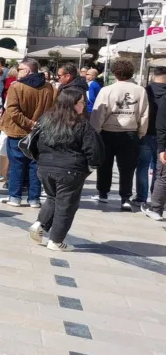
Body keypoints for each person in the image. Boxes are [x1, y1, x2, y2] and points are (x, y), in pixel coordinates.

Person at [28, 87, 104, 252]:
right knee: (66, 205)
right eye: (82, 103)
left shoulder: (45, 119)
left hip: (45, 167)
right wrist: (91, 166)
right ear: (73, 104)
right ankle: (56, 241)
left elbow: (33, 142)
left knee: (53, 197)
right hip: (70, 170)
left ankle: (40, 225)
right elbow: (94, 150)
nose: (84, 106)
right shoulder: (81, 124)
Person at [90, 59, 149, 211]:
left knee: (104, 164)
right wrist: (141, 132)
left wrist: (95, 131)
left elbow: (99, 113)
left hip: (108, 132)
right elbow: (144, 114)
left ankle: (103, 193)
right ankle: (125, 198)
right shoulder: (140, 90)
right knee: (127, 168)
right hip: (130, 132)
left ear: (114, 72)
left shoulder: (107, 90)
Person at [0, 58, 55, 208]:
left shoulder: (16, 87)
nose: (17, 72)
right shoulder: (49, 87)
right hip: (39, 132)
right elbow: (52, 110)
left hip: (18, 131)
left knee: (17, 164)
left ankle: (15, 197)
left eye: (19, 69)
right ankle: (34, 199)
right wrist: (38, 124)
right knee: (35, 165)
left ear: (28, 71)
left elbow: (12, 111)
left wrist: (30, 123)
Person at [137, 66, 166, 207]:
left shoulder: (145, 91)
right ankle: (156, 197)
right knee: (158, 169)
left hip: (146, 132)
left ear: (154, 75)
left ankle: (141, 197)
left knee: (142, 167)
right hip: (163, 137)